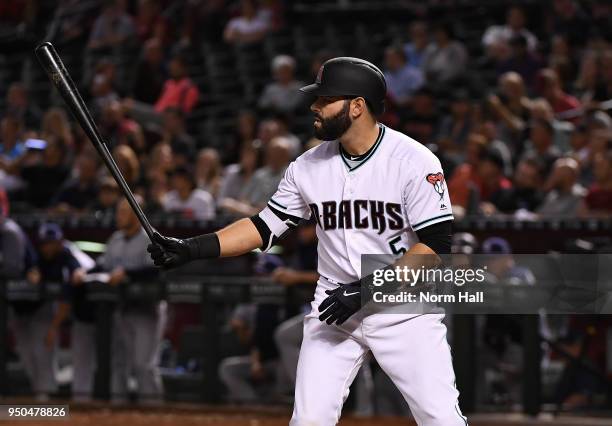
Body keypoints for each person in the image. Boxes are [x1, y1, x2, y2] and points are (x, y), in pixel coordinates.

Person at [148, 57, 466, 425]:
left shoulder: (413, 161)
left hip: (401, 308)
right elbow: (263, 226)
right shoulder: (307, 166)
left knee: (441, 418)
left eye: (325, 99)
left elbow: (435, 250)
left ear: (357, 106)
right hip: (334, 309)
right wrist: (191, 248)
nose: (314, 107)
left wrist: (364, 290)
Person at [91, 197, 164, 403]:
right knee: (119, 363)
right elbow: (102, 266)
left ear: (136, 213)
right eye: (119, 211)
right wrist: (84, 271)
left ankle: (154, 412)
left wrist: (127, 274)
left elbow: (156, 271)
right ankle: (117, 410)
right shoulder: (115, 239)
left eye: (123, 212)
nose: (118, 216)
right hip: (122, 307)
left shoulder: (150, 238)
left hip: (147, 309)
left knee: (143, 364)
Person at [11, 223, 79, 401]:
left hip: (49, 310)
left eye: (51, 242)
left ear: (59, 242)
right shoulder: (34, 255)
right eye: (44, 243)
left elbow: (66, 298)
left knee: (43, 355)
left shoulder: (67, 256)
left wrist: (53, 329)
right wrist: (32, 272)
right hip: (24, 310)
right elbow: (29, 270)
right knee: (27, 355)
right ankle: (39, 396)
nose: (47, 246)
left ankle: (46, 402)